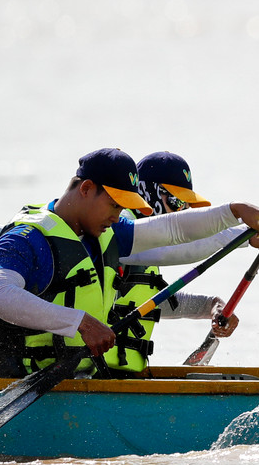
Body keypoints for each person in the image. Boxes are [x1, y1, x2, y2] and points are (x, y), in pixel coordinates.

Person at [0, 148, 259, 378]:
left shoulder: (104, 234)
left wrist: (236, 215)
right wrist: (81, 323)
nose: (118, 216)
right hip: (25, 383)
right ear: (86, 189)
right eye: (114, 204)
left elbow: (172, 231)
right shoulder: (26, 238)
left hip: (79, 382)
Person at [101, 151, 239, 376]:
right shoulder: (116, 227)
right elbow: (178, 246)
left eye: (186, 207)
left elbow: (149, 302)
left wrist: (212, 306)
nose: (182, 214)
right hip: (89, 375)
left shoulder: (149, 245)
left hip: (118, 375)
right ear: (147, 192)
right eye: (176, 202)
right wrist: (245, 233)